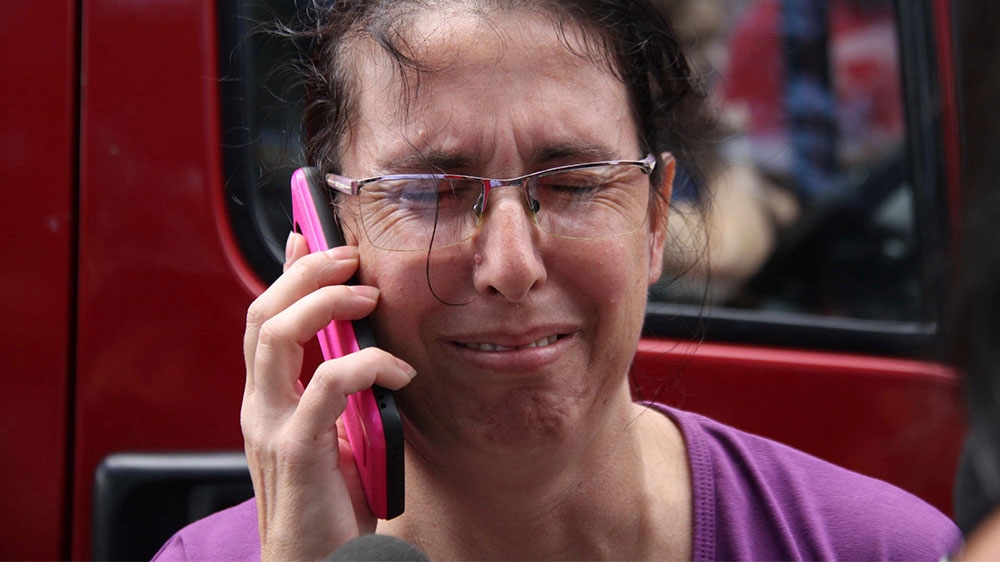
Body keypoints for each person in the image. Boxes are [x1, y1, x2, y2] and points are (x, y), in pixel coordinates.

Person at [154, 1, 960, 560]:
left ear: (654, 219)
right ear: (331, 238)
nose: (511, 266)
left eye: (573, 183)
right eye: (432, 191)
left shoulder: (880, 549)